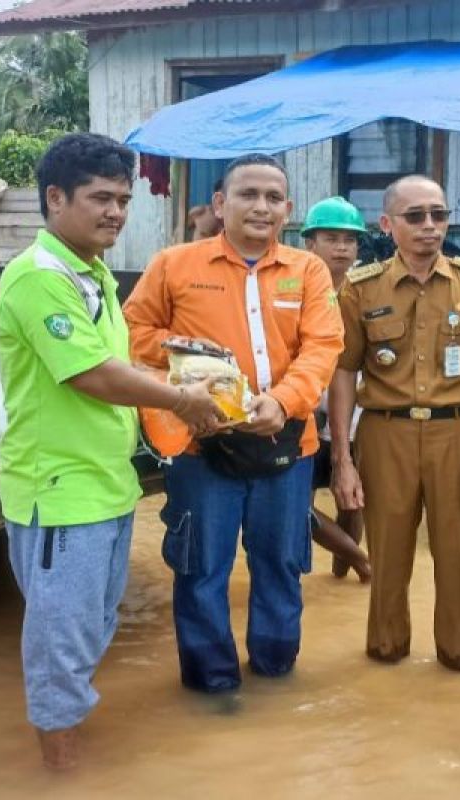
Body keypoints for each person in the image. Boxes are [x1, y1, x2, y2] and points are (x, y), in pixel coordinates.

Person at [0, 133, 221, 769]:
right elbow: (92, 374)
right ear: (55, 197)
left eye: (123, 199)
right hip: (59, 493)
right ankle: (62, 771)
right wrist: (183, 400)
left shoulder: (89, 275)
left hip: (106, 486)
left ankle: (68, 748)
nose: (116, 212)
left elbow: (124, 364)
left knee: (93, 627)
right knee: (61, 639)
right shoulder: (38, 278)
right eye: (100, 198)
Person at [124, 153, 344, 694]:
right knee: (201, 569)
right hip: (203, 446)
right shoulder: (175, 264)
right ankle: (212, 687)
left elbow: (324, 345)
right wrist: (189, 356)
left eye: (273, 198)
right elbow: (132, 333)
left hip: (286, 443)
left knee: (281, 564)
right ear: (220, 204)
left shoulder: (307, 270)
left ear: (287, 210)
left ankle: (274, 673)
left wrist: (285, 399)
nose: (261, 207)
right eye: (248, 194)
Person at [330, 175, 460, 672]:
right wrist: (343, 460)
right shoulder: (361, 288)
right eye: (415, 216)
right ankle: (386, 654)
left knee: (458, 557)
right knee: (387, 557)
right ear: (388, 224)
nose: (430, 226)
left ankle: (459, 658)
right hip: (384, 432)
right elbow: (343, 371)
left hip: (458, 432)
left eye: (439, 214)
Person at [302, 196, 370, 581]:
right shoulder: (294, 287)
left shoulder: (366, 291)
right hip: (304, 410)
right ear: (310, 243)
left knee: (351, 499)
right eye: (331, 238)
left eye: (349, 239)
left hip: (356, 413)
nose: (342, 247)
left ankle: (343, 578)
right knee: (297, 508)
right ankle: (364, 561)